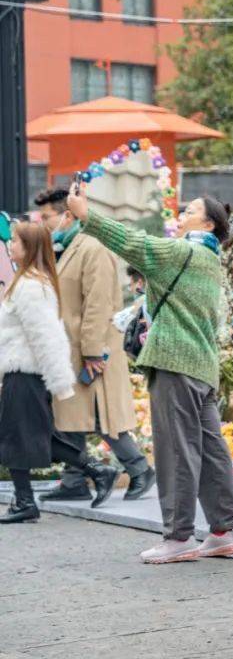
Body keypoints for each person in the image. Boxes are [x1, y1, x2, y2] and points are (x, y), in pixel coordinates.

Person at [66, 185, 233, 564]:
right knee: (211, 450)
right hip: (203, 367)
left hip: (175, 364)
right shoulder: (211, 259)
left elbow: (132, 242)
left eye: (189, 210)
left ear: (208, 222)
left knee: (177, 451)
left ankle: (178, 538)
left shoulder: (181, 252)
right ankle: (223, 530)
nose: (181, 214)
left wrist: (86, 214)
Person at [34, 188, 155, 505]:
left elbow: (98, 305)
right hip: (72, 347)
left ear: (68, 214)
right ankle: (75, 478)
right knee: (70, 412)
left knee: (102, 415)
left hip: (93, 348)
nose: (42, 223)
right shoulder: (69, 246)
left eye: (46, 216)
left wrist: (90, 351)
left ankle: (139, 469)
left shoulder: (93, 248)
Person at [0, 223, 118, 524]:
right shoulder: (27, 281)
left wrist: (60, 382)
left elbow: (46, 337)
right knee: (39, 435)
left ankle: (25, 502)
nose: (10, 245)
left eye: (15, 241)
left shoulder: (30, 286)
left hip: (25, 372)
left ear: (30, 248)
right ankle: (97, 470)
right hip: (21, 370)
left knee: (16, 436)